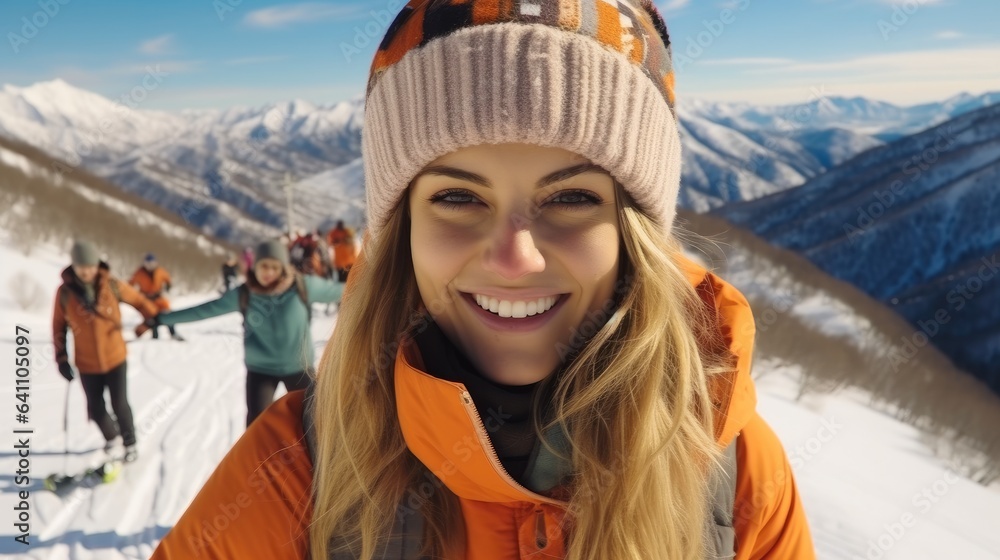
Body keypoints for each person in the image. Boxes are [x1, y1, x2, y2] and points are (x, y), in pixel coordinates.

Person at [152, 2, 815, 559]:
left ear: (631, 230)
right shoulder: (299, 470)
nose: (514, 257)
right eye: (458, 198)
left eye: (573, 198)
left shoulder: (730, 470)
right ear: (403, 231)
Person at [137, 240, 344, 426]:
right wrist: (161, 319)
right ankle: (256, 468)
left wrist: (375, 280)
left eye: (274, 266)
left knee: (316, 422)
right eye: (264, 266)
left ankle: (319, 467)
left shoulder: (302, 286)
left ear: (283, 268)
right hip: (261, 370)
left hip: (299, 367)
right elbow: (203, 310)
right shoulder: (245, 293)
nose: (268, 272)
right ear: (255, 267)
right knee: (255, 427)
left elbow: (342, 290)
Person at [53, 240, 159, 463]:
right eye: (82, 267)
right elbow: (58, 326)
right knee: (95, 409)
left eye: (91, 266)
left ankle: (130, 443)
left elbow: (140, 301)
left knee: (120, 404)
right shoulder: (65, 293)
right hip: (86, 364)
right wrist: (61, 358)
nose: (87, 272)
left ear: (97, 264)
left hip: (115, 358)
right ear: (74, 266)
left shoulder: (111, 285)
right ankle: (112, 438)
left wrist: (148, 322)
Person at [129, 253, 184, 341]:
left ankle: (173, 333)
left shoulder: (160, 271)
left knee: (168, 313)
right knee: (151, 316)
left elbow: (167, 279)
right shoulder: (139, 272)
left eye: (152, 264)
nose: (150, 266)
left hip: (159, 298)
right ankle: (155, 335)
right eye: (148, 264)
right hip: (146, 299)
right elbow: (130, 283)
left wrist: (168, 286)